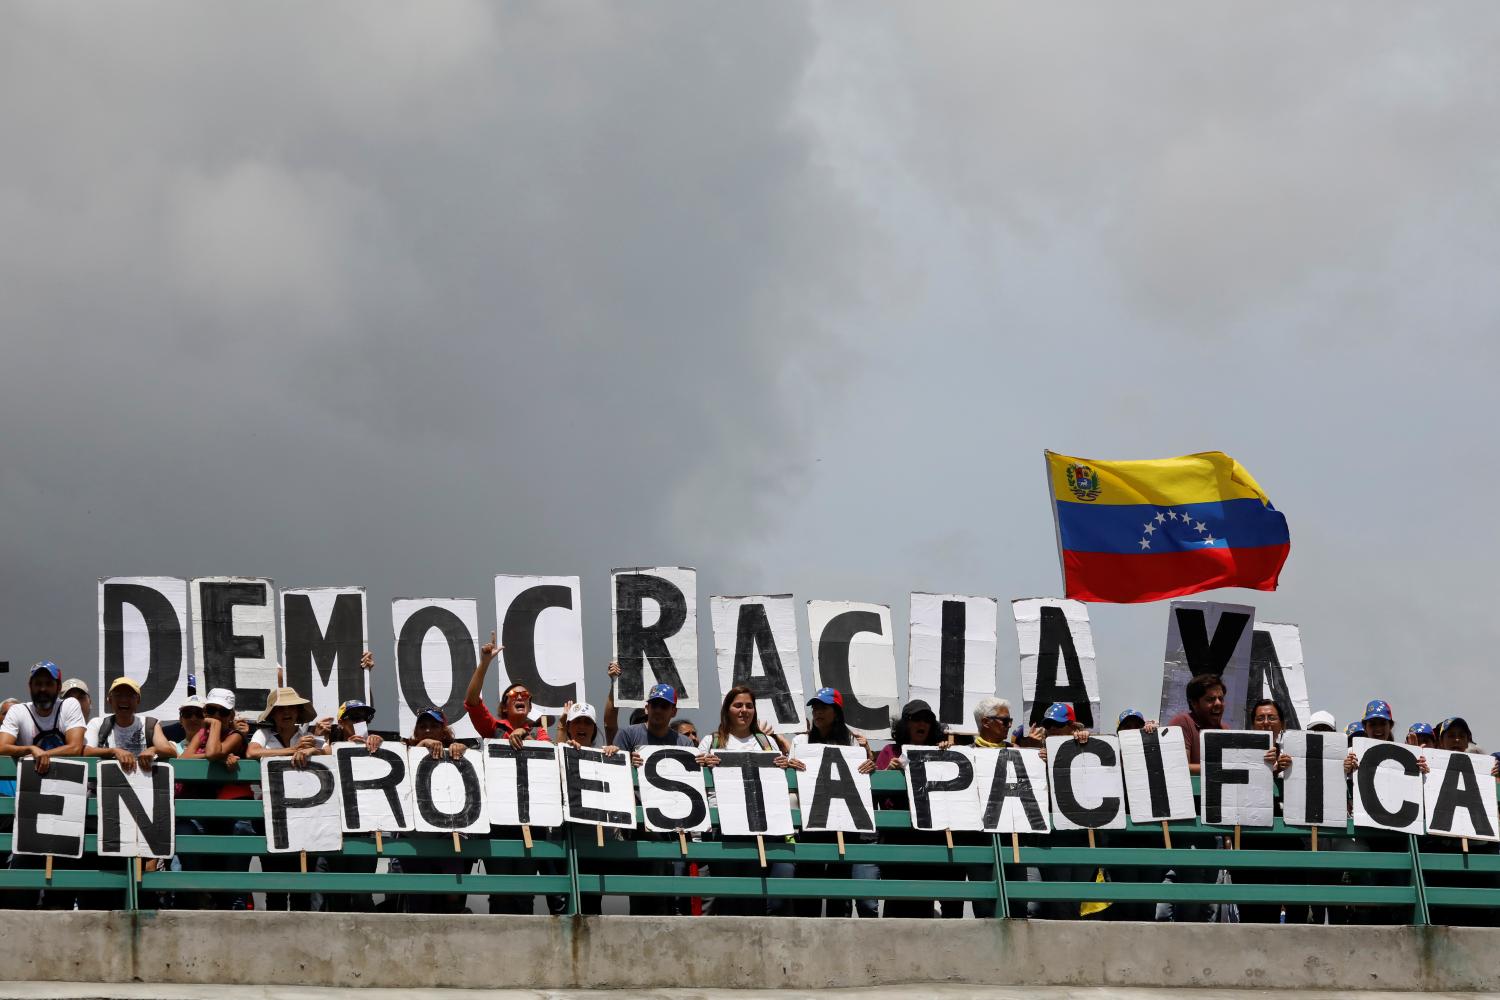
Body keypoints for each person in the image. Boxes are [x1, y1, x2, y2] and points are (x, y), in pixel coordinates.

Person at [697, 686, 801, 915]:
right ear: (727, 709)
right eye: (738, 705)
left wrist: (785, 764)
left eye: (749, 706)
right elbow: (697, 777)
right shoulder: (711, 740)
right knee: (728, 893)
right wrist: (703, 764)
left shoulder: (766, 743)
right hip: (723, 827)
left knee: (753, 894)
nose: (744, 710)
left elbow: (780, 780)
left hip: (758, 827)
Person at [0, 662, 88, 909]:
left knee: (64, 873)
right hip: (30, 805)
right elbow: (1, 746)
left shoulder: (68, 705)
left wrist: (43, 755)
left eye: (48, 683)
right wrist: (30, 748)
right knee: (23, 868)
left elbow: (75, 747)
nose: (42, 689)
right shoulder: (19, 711)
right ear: (30, 686)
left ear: (58, 687)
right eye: (37, 683)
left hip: (67, 804)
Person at [791, 688, 878, 918]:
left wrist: (870, 763)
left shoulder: (854, 744)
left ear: (837, 712)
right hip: (813, 827)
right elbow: (791, 781)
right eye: (815, 707)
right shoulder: (801, 741)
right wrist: (792, 767)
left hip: (845, 828)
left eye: (823, 707)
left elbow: (864, 777)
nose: (817, 711)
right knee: (808, 893)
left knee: (839, 899)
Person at [247, 687, 327, 911]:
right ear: (272, 714)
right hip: (273, 818)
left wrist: (312, 752)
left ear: (298, 712)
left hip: (305, 817)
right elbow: (252, 753)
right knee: (276, 884)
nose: (286, 713)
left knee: (303, 882)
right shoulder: (263, 735)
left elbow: (330, 752)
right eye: (280, 709)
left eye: (291, 707)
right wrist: (292, 751)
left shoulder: (307, 736)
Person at [400, 707, 471, 914]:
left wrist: (461, 749)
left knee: (453, 893)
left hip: (446, 837)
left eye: (433, 726)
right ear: (416, 732)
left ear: (444, 731)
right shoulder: (403, 750)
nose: (428, 730)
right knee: (419, 898)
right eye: (423, 727)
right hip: (414, 839)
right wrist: (422, 746)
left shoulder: (456, 751)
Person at [323, 698, 383, 913]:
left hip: (364, 829)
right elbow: (321, 757)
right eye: (354, 718)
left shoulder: (377, 744)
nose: (361, 721)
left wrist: (376, 746)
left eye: (364, 717)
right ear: (341, 723)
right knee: (336, 895)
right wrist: (347, 747)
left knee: (361, 894)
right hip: (335, 829)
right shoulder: (327, 746)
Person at [463, 630, 550, 746]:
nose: (520, 697)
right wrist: (485, 663)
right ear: (504, 708)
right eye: (514, 694)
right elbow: (472, 701)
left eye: (525, 695)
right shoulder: (494, 729)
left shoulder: (538, 732)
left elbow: (548, 752)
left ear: (530, 708)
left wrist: (523, 732)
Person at [84, 677, 177, 774]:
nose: (124, 700)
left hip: (142, 786)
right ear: (110, 700)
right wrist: (114, 751)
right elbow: (86, 751)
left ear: (138, 700)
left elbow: (171, 751)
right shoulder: (97, 723)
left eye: (130, 695)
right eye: (118, 695)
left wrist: (154, 749)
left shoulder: (150, 724)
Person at [1164, 673, 1225, 774]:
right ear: (1194, 703)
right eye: (1210, 699)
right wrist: (1219, 769)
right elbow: (1180, 768)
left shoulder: (1225, 729)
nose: (1218, 703)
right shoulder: (1182, 723)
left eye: (1221, 699)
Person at [1249, 699, 1293, 774]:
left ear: (1282, 725)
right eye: (1260, 719)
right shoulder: (1244, 754)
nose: (1266, 722)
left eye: (1272, 718)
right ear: (1253, 726)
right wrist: (1276, 770)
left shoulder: (1290, 755)